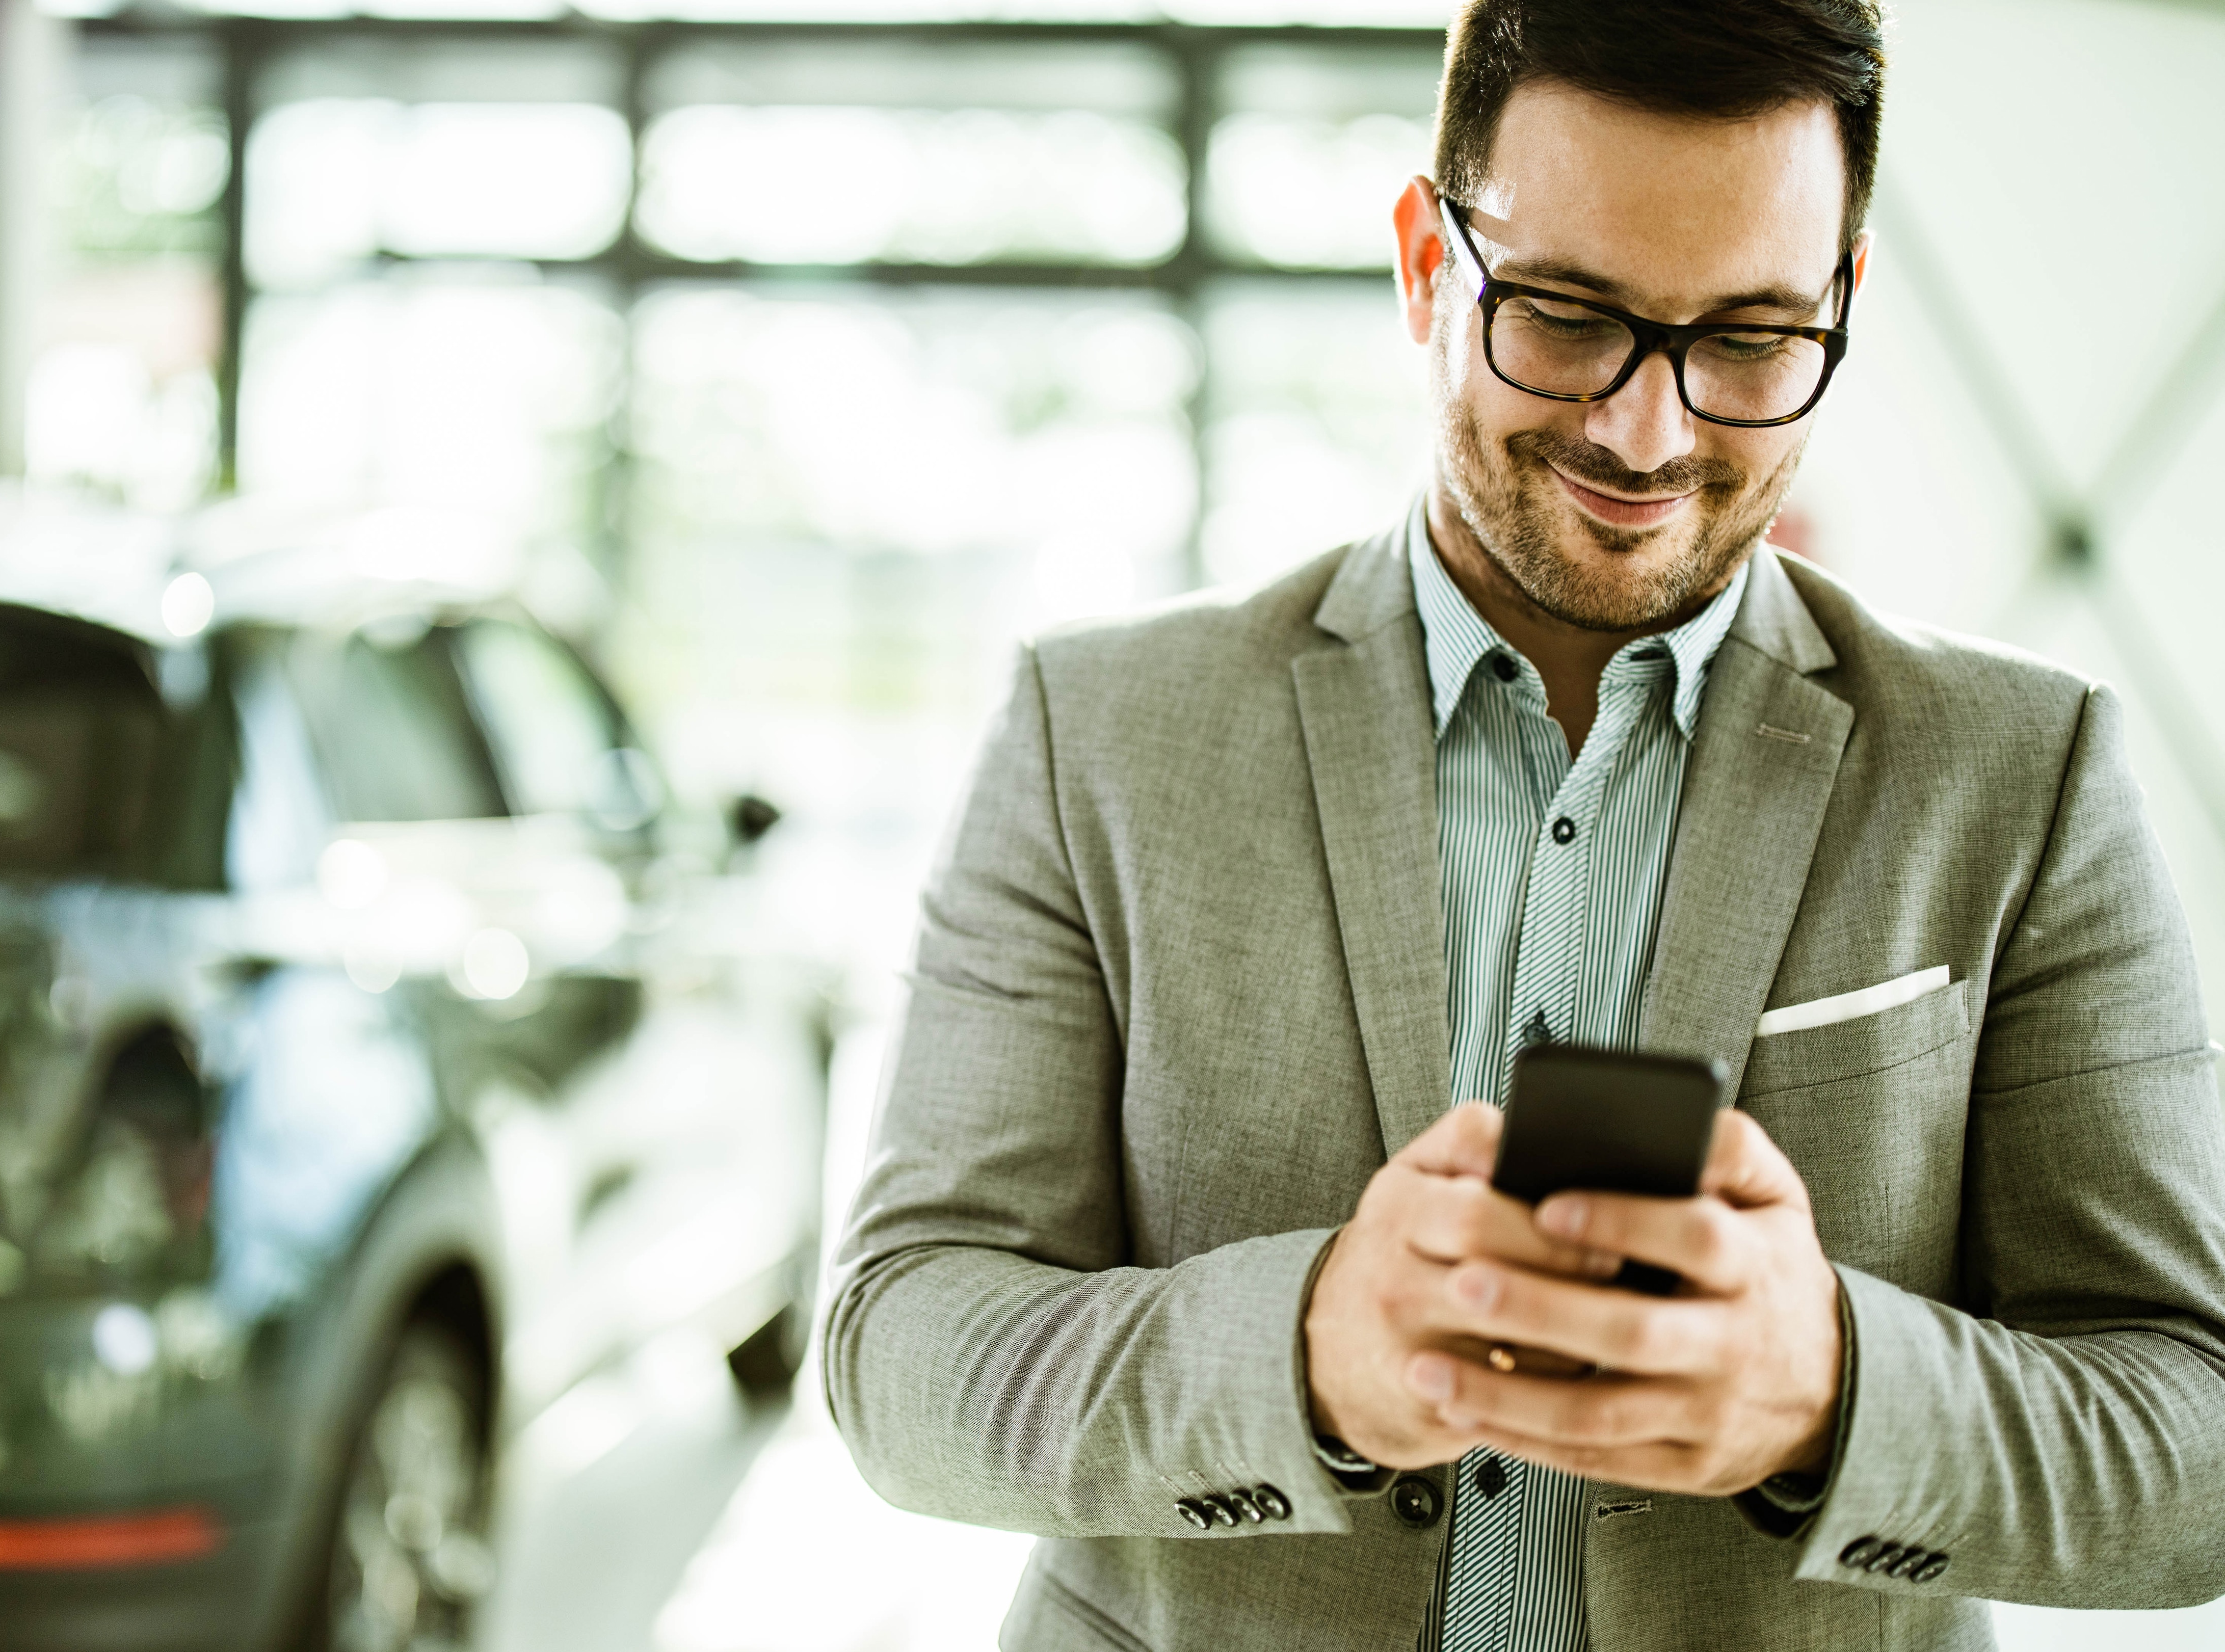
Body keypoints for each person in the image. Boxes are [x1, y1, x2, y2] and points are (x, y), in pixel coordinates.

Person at [822, 1, 2225, 1647]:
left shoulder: (2025, 771)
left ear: (1841, 306)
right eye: (1566, 318)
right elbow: (903, 1345)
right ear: (1429, 262)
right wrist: (1306, 1353)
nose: (1651, 433)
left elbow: (2190, 1434)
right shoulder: (1100, 731)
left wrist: (1834, 1390)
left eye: (1753, 341)